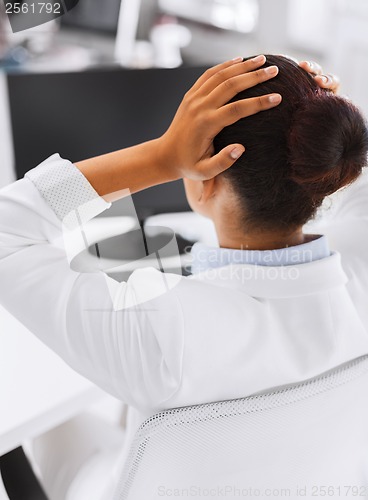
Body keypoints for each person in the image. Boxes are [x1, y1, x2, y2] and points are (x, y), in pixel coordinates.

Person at [0, 54, 367, 499]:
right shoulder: (360, 271)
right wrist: (325, 122)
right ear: (326, 174)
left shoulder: (161, 334)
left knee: (51, 421)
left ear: (203, 177)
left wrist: (160, 157)